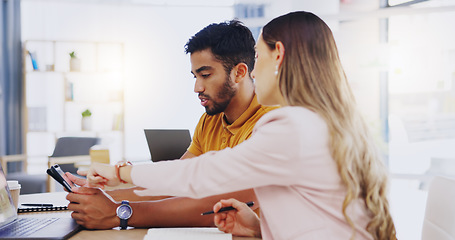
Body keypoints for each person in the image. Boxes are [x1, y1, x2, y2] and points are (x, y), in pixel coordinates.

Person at [86, 11, 397, 240]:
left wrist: (119, 174)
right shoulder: (322, 122)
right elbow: (326, 220)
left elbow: (201, 174)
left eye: (259, 56)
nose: (254, 68)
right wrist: (260, 228)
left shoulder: (293, 126)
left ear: (279, 56)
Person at [65, 20, 276, 229]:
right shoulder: (210, 119)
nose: (197, 87)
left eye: (205, 75)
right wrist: (101, 197)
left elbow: (223, 205)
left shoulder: (272, 124)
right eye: (195, 76)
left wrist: (119, 212)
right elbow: (176, 184)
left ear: (239, 72)